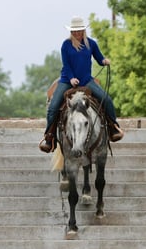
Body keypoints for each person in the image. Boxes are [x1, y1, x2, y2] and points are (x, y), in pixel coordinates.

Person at [39, 16, 124, 153]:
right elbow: (66, 65)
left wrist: (104, 61)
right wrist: (71, 78)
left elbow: (99, 57)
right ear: (71, 32)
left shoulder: (91, 43)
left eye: (79, 30)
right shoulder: (66, 45)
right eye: (74, 31)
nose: (77, 33)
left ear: (83, 30)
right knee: (53, 107)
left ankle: (113, 127)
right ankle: (50, 138)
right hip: (67, 80)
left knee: (106, 99)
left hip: (86, 80)